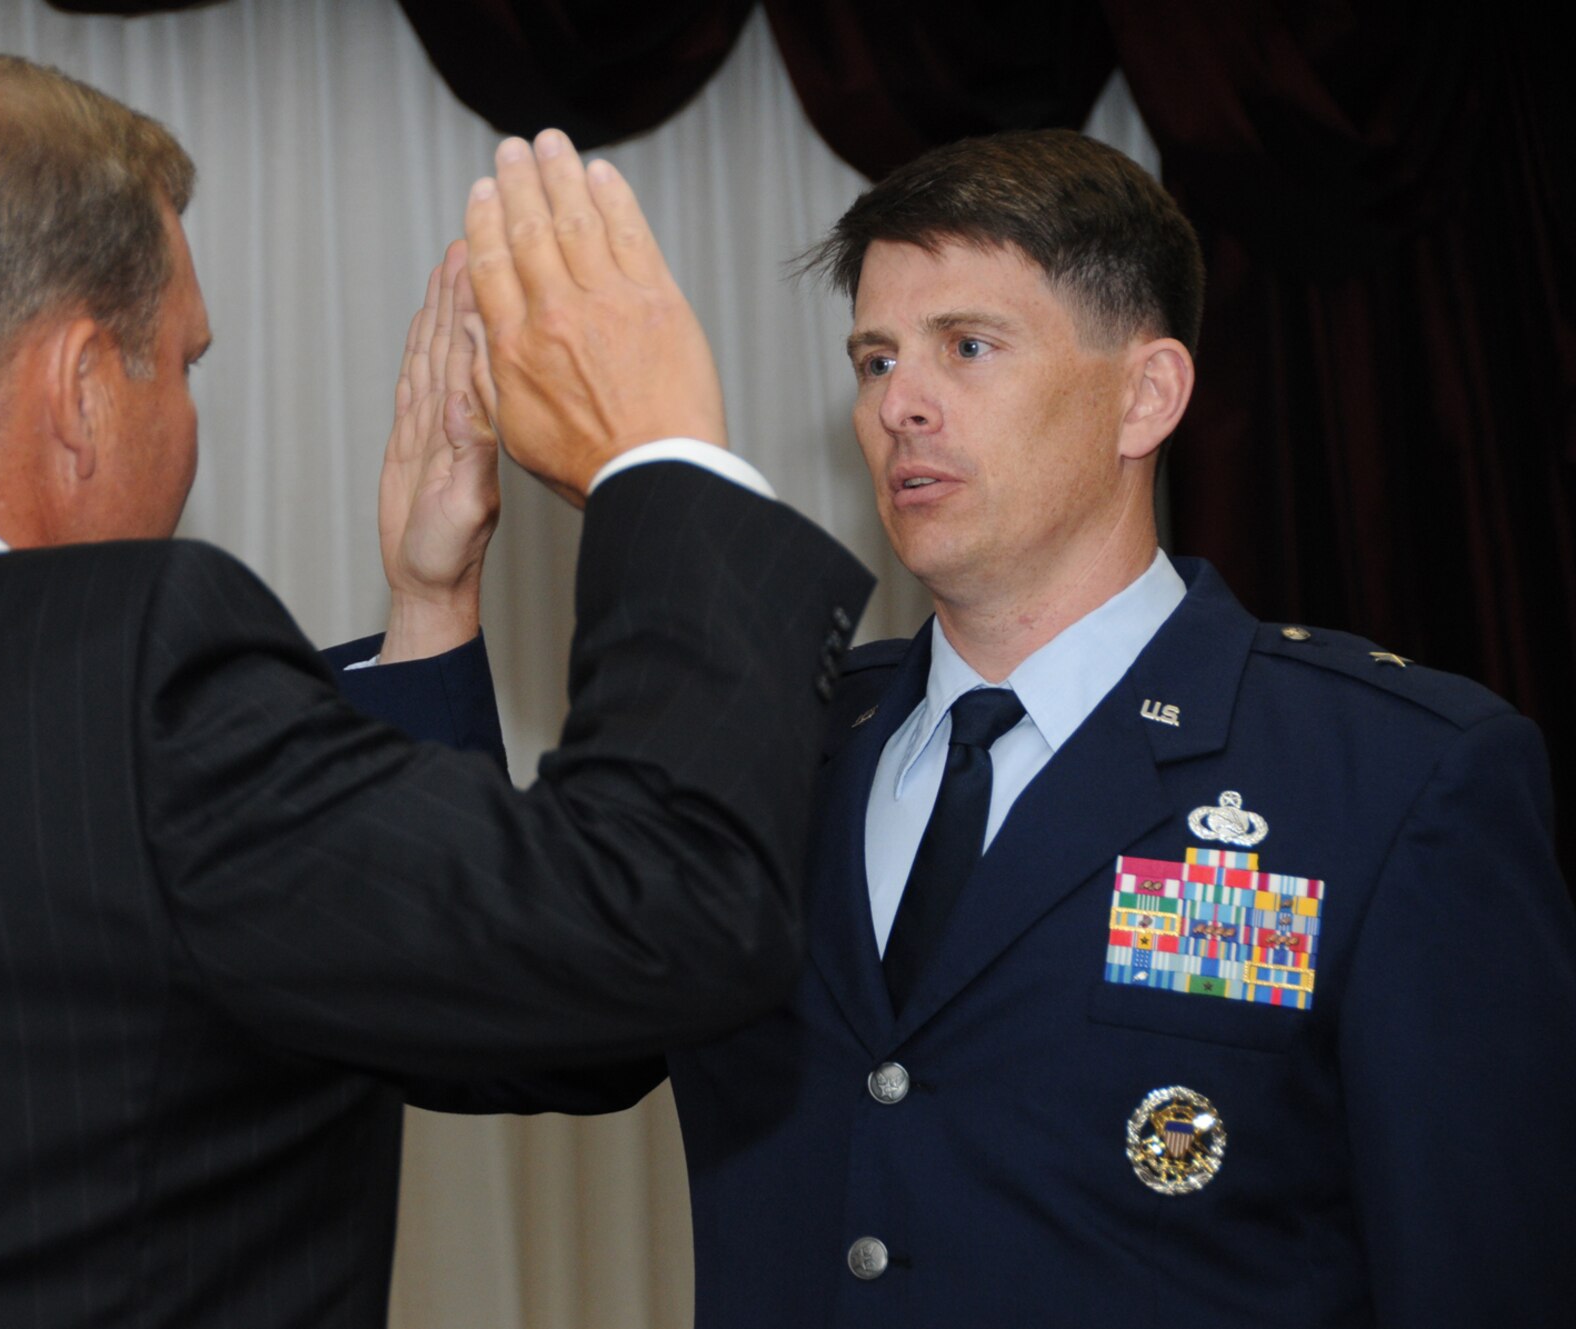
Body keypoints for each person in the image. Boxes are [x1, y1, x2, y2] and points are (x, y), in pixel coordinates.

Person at [0, 52, 873, 1327]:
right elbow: (652, 931)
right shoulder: (123, 667)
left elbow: (466, 1014)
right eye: (184, 362)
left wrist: (428, 609)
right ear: (82, 386)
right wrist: (664, 457)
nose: (191, 413)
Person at [436, 129, 1576, 1325]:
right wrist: (429, 598)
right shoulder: (768, 741)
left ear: (1145, 395)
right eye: (873, 361)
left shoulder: (1394, 776)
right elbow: (497, 1022)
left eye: (964, 348)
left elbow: (1483, 1271)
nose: (899, 407)